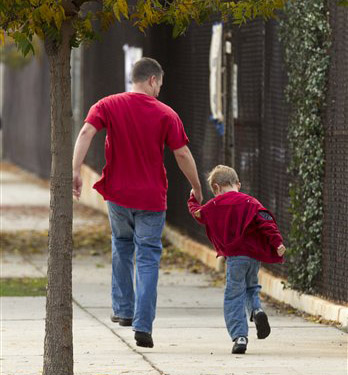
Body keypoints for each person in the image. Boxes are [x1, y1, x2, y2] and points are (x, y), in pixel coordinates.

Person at [72, 57, 202, 348]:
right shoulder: (166, 114)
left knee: (121, 244)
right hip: (152, 198)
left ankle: (123, 310)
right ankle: (143, 325)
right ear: (153, 80)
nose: (159, 91)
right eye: (159, 85)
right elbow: (182, 154)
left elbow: (85, 132)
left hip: (117, 194)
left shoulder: (106, 105)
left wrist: (75, 170)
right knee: (147, 258)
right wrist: (196, 188)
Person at [187, 165, 286, 354]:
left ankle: (240, 336)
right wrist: (277, 243)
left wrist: (192, 198)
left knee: (234, 294)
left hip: (235, 257)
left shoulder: (216, 205)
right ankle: (256, 310)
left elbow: (198, 214)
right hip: (253, 257)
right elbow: (266, 222)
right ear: (238, 184)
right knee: (251, 287)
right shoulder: (251, 202)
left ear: (216, 188)